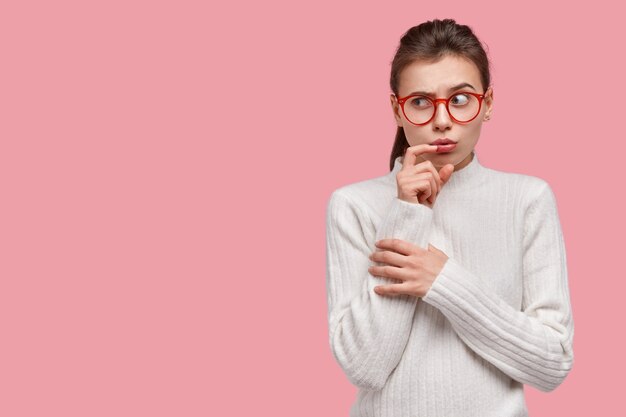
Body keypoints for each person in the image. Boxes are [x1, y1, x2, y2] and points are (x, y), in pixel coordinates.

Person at [325, 18, 574, 417]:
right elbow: (364, 367)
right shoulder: (353, 205)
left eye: (459, 99)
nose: (442, 121)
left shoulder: (527, 199)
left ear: (487, 104)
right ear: (397, 109)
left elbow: (551, 363)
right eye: (421, 102)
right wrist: (407, 213)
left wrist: (444, 282)